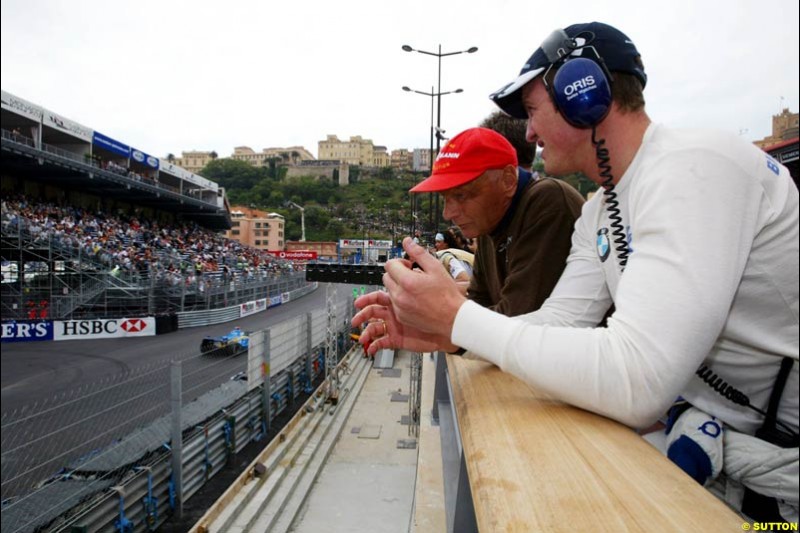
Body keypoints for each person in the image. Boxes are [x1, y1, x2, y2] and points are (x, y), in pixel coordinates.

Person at [354, 22, 799, 522]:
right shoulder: (600, 210)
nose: (530, 133)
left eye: (534, 111)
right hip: (731, 454)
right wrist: (442, 331)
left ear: (583, 93)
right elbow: (557, 323)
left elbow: (639, 380)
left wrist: (458, 320)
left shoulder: (695, 167)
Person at [410, 127, 584, 318]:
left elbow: (516, 319)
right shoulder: (489, 223)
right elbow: (480, 303)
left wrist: (435, 309)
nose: (447, 213)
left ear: (508, 180)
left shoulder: (548, 201)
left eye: (461, 195)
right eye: (445, 198)